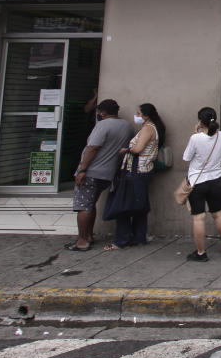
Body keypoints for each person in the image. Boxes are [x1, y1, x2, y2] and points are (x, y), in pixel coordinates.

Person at [65, 98, 133, 252]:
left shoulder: (103, 125)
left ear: (102, 112)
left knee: (83, 206)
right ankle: (88, 236)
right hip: (109, 173)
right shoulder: (126, 126)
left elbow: (92, 148)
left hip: (92, 171)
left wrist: (82, 170)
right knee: (91, 203)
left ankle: (82, 241)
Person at [183, 107, 221, 261]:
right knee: (218, 214)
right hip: (215, 180)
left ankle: (201, 253)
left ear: (200, 122)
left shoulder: (195, 138)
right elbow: (214, 135)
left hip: (198, 182)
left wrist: (196, 133)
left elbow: (186, 157)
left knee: (198, 218)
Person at [104, 102, 165, 251]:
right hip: (144, 170)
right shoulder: (154, 128)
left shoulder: (147, 129)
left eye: (138, 113)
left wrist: (126, 150)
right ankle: (139, 236)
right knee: (139, 206)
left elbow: (138, 149)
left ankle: (122, 240)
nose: (136, 116)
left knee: (124, 206)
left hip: (135, 171)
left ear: (145, 115)